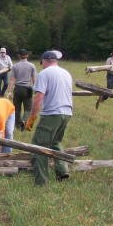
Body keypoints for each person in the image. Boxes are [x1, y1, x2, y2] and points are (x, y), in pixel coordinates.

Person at [24, 50, 73, 185]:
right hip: (67, 113)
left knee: (39, 146)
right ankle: (62, 172)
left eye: (42, 63)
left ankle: (41, 181)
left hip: (52, 113)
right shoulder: (66, 73)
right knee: (55, 142)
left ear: (44, 61)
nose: (42, 65)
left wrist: (32, 118)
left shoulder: (44, 74)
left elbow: (39, 97)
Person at [6, 49, 36, 130]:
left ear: (19, 56)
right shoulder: (32, 66)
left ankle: (17, 125)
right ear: (27, 55)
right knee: (28, 108)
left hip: (18, 89)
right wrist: (35, 89)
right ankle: (24, 121)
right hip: (28, 89)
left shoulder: (15, 66)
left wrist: (9, 91)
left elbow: (12, 80)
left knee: (17, 108)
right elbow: (34, 79)